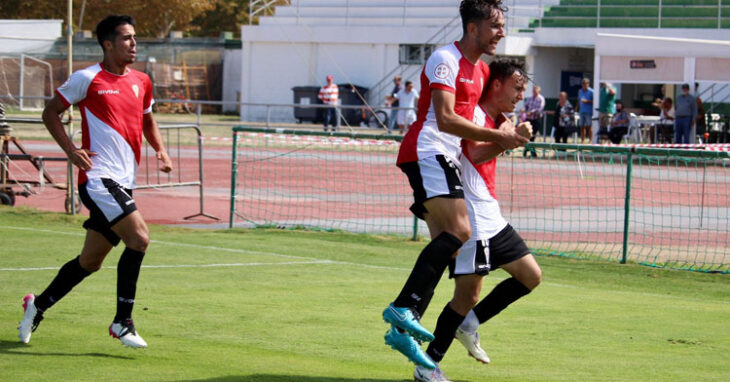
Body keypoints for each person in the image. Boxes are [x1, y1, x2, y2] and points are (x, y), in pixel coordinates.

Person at [385, 0, 528, 373]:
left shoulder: (481, 70)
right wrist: (501, 135)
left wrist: (508, 134)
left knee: (447, 249)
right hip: (428, 148)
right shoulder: (444, 59)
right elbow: (446, 119)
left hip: (443, 156)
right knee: (460, 231)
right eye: (495, 25)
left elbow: (481, 128)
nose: (501, 32)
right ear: (473, 27)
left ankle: (407, 326)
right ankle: (403, 308)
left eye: (502, 25)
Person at [18, 15, 173, 348]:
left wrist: (161, 151)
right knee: (140, 239)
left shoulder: (142, 81)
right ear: (108, 44)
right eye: (127, 38)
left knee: (90, 262)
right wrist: (72, 150)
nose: (134, 44)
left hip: (122, 183)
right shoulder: (87, 78)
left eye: (135, 38)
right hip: (99, 180)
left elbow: (148, 121)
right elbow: (50, 112)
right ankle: (122, 322)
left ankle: (38, 305)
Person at [416, 58, 539, 381]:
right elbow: (472, 154)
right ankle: (427, 365)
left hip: (491, 214)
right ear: (496, 84)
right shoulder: (473, 113)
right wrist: (507, 140)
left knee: (530, 276)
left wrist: (510, 135)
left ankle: (470, 322)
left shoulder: (500, 119)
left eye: (524, 90)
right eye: (517, 87)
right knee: (466, 295)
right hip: (472, 216)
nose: (520, 95)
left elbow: (495, 144)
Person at [522, 85, 544, 157]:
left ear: (538, 91)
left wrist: (531, 112)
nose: (534, 92)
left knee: (532, 136)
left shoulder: (541, 99)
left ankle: (527, 151)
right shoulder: (530, 98)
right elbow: (525, 105)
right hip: (529, 119)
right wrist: (524, 110)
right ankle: (532, 153)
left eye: (535, 91)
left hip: (536, 119)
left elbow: (540, 109)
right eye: (533, 91)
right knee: (528, 136)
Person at [577, 78, 593, 144]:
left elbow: (595, 102)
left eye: (585, 83)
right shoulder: (580, 91)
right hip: (581, 111)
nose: (584, 85)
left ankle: (590, 140)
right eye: (583, 83)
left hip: (589, 111)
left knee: (589, 126)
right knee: (582, 127)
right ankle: (582, 140)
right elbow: (578, 100)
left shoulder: (592, 91)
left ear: (588, 84)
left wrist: (587, 101)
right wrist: (576, 108)